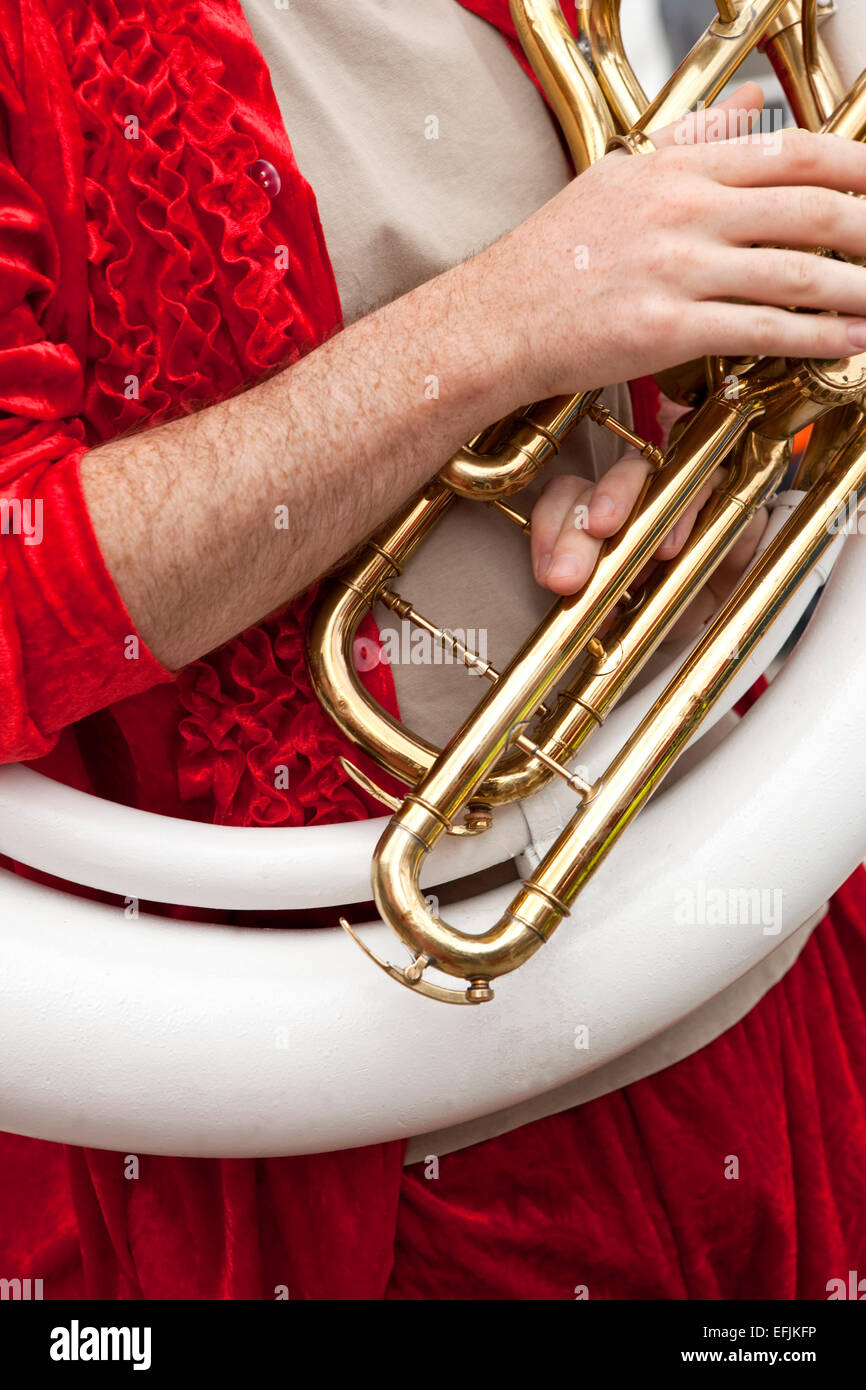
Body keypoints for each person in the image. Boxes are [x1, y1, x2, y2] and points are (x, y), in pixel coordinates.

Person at [0, 0, 865, 1300]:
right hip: (372, 1172)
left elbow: (600, 325)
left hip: (764, 996)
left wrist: (692, 463)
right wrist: (501, 319)